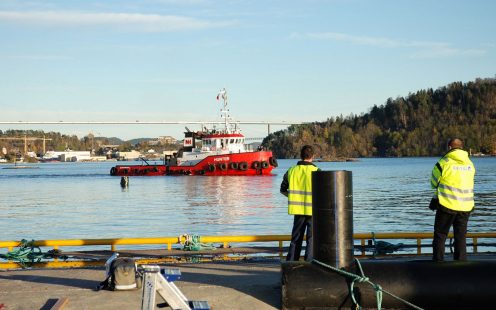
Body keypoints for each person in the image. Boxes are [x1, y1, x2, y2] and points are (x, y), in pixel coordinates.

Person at [431, 138, 475, 261]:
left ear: (449, 148)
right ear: (461, 147)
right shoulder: (470, 164)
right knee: (460, 237)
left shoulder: (443, 163)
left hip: (447, 205)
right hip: (466, 206)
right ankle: (461, 265)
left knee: (440, 235)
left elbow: (433, 183)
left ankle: (438, 264)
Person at [280, 145, 320, 261]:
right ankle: (309, 263)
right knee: (311, 239)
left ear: (301, 155)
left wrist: (293, 196)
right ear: (312, 156)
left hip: (297, 210)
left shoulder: (291, 171)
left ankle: (291, 263)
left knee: (296, 238)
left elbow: (282, 190)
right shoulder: (317, 171)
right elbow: (323, 192)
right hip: (312, 210)